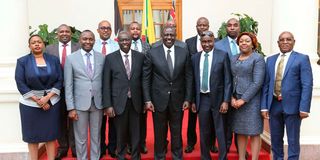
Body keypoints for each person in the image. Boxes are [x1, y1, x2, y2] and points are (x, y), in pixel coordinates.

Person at [261, 31, 313, 160]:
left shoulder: (302, 58)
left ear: (294, 42)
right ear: (278, 43)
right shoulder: (270, 60)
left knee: (293, 140)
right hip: (274, 105)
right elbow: (266, 84)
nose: (285, 42)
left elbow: (307, 84)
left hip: (294, 107)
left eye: (288, 39)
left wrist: (304, 108)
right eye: (282, 40)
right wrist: (264, 107)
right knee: (276, 140)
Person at [143, 26, 193, 160]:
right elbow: (146, 78)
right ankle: (159, 156)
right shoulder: (153, 52)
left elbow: (188, 76)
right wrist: (147, 100)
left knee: (177, 132)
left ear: (175, 36)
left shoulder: (183, 52)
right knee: (159, 132)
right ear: (162, 36)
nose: (169, 38)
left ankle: (177, 156)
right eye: (166, 35)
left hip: (178, 99)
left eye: (171, 35)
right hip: (158, 100)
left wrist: (188, 98)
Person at [15, 35, 63, 160]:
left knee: (50, 135)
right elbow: (20, 82)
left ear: (43, 44)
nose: (36, 44)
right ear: (29, 46)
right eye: (33, 42)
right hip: (30, 105)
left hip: (51, 102)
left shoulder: (54, 60)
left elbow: (59, 80)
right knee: (32, 136)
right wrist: (38, 100)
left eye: (39, 42)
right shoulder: (22, 62)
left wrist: (47, 98)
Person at [103, 31, 145, 160]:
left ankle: (135, 156)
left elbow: (144, 80)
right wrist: (108, 105)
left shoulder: (140, 56)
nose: (125, 42)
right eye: (122, 40)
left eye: (127, 40)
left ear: (131, 40)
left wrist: (145, 101)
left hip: (136, 102)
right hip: (118, 102)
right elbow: (106, 83)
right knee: (120, 134)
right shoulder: (110, 58)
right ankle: (121, 156)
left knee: (136, 133)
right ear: (118, 41)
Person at [64, 30, 105, 160]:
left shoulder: (102, 57)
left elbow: (104, 82)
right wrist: (71, 108)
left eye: (90, 39)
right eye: (85, 39)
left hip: (97, 104)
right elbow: (68, 85)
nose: (88, 42)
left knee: (96, 136)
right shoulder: (71, 58)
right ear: (80, 41)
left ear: (94, 40)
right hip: (79, 105)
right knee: (80, 138)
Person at [191, 31, 231, 160]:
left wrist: (226, 100)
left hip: (219, 99)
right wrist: (193, 101)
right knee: (204, 131)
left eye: (209, 41)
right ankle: (205, 157)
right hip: (202, 99)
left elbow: (227, 80)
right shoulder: (195, 58)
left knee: (220, 130)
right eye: (204, 42)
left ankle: (222, 157)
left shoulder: (222, 56)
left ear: (214, 41)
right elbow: (193, 81)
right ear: (200, 43)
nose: (206, 44)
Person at [45, 24, 80, 159]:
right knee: (59, 119)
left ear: (71, 33)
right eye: (61, 31)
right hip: (56, 90)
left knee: (74, 120)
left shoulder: (78, 47)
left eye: (67, 31)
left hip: (75, 89)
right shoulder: (49, 49)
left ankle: (75, 147)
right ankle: (63, 147)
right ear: (57, 34)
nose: (64, 33)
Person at [184, 17, 218, 154]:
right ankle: (191, 142)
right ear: (196, 27)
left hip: (211, 87)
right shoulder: (189, 42)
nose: (202, 27)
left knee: (212, 119)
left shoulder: (217, 42)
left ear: (208, 26)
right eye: (200, 25)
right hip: (194, 84)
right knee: (192, 118)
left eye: (205, 25)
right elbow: (187, 65)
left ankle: (211, 143)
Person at [230, 32, 265, 160]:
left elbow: (257, 82)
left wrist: (243, 100)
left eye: (247, 41)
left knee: (254, 132)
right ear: (238, 43)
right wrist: (231, 98)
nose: (244, 43)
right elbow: (229, 78)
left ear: (253, 43)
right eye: (241, 41)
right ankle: (241, 158)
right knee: (240, 131)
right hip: (235, 100)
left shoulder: (258, 58)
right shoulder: (233, 58)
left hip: (252, 101)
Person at [214, 18, 244, 155]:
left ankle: (241, 148)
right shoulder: (218, 45)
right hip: (224, 91)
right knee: (225, 124)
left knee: (241, 122)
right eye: (229, 25)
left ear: (239, 27)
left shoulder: (246, 43)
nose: (232, 28)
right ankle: (224, 149)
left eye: (235, 25)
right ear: (226, 28)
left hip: (243, 92)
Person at [93, 20, 119, 158]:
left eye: (108, 28)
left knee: (113, 119)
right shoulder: (92, 45)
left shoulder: (116, 45)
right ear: (98, 30)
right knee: (99, 121)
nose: (105, 30)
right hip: (97, 87)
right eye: (102, 28)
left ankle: (113, 147)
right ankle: (101, 147)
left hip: (113, 87)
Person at [127, 21, 151, 154]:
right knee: (129, 118)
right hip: (127, 89)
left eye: (137, 29)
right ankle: (130, 144)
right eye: (132, 29)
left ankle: (142, 143)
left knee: (142, 118)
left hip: (142, 88)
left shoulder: (147, 46)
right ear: (129, 30)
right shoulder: (124, 45)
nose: (135, 31)